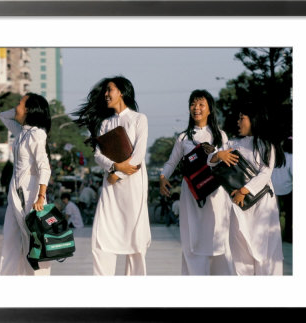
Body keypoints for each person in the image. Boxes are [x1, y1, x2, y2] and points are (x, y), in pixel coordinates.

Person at [73, 76, 151, 275]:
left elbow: (139, 155)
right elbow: (98, 155)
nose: (106, 94)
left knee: (135, 240)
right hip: (110, 185)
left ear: (122, 92)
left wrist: (119, 175)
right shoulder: (104, 124)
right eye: (106, 91)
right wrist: (114, 167)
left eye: (110, 90)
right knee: (101, 236)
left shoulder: (139, 119)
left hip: (133, 185)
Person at [160, 89, 236, 275]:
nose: (197, 108)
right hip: (191, 193)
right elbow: (172, 162)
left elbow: (229, 165)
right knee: (192, 235)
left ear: (210, 109)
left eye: (201, 104)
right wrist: (162, 178)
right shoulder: (183, 137)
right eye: (193, 104)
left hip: (216, 192)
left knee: (217, 234)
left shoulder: (220, 136)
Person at [210, 103, 285, 275]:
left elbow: (265, 173)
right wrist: (218, 155)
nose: (238, 122)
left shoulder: (266, 145)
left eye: (242, 118)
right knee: (240, 250)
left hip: (261, 204)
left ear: (253, 120)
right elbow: (210, 161)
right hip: (239, 206)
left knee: (264, 249)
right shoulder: (233, 143)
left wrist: (243, 191)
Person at [0, 93, 52, 275]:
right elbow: (2, 116)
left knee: (34, 243)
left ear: (29, 109)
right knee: (11, 240)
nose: (16, 105)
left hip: (31, 195)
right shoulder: (21, 132)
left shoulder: (37, 134)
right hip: (15, 194)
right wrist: (17, 111)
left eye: (20, 103)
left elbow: (45, 167)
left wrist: (41, 197)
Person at [271, 137, 293, 243]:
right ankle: (288, 236)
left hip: (273, 188)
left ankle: (274, 235)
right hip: (286, 189)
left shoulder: (276, 156)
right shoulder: (292, 158)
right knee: (289, 214)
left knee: (275, 213)